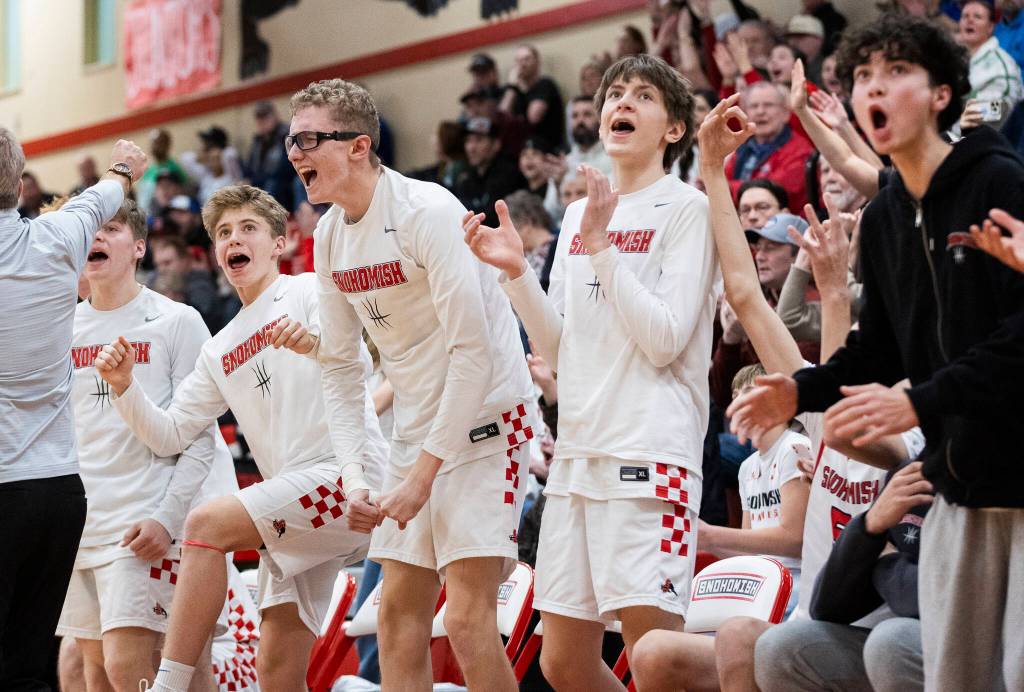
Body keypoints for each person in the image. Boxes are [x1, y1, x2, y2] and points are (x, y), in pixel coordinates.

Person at [727, 15, 1024, 690]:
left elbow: (1018, 339)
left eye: (895, 72)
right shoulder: (890, 213)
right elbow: (878, 349)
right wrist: (800, 391)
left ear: (942, 94)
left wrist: (917, 401)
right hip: (962, 494)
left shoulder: (998, 183)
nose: (874, 87)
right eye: (863, 76)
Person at [637, 96, 921, 692]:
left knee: (745, 638)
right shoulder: (828, 402)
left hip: (895, 632)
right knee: (657, 653)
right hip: (818, 630)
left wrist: (838, 293)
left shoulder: (923, 416)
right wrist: (713, 170)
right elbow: (744, 294)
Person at [465, 53, 718, 690]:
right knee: (564, 661)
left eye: (641, 96)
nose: (621, 104)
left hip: (649, 451)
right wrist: (517, 274)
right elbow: (560, 347)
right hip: (579, 454)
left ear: (674, 129)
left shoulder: (687, 209)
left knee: (655, 655)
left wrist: (605, 250)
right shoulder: (578, 216)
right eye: (615, 94)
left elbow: (663, 340)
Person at [291, 79, 535, 691]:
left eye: (309, 139)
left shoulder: (428, 211)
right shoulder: (328, 238)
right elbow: (342, 368)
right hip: (417, 440)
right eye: (291, 141)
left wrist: (423, 472)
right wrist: (355, 477)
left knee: (467, 618)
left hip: (488, 427)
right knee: (395, 617)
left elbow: (473, 353)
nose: (294, 154)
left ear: (357, 145)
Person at [95, 185, 389, 692]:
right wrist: (125, 388)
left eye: (248, 228)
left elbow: (363, 362)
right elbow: (168, 435)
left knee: (206, 522)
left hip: (346, 477)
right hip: (293, 499)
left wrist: (317, 345)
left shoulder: (307, 291)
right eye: (224, 233)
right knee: (275, 670)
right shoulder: (220, 346)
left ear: (278, 242)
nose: (234, 239)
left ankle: (168, 683)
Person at [57, 198, 233, 690]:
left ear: (139, 247)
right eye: (89, 229)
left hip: (145, 519)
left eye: (109, 228)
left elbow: (201, 437)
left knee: (135, 665)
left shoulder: (178, 321)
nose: (95, 237)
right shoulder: (59, 330)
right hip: (81, 525)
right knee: (93, 674)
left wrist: (168, 517)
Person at [0, 130, 147, 690]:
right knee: (31, 667)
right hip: (59, 493)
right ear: (18, 187)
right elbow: (108, 191)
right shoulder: (61, 234)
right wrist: (124, 167)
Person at [755, 459, 931, 692]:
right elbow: (827, 608)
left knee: (892, 641)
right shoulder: (911, 473)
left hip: (975, 649)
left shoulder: (982, 480)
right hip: (901, 645)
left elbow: (941, 604)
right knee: (780, 647)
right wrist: (868, 528)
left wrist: (885, 562)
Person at [726, 81, 814, 214]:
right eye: (754, 106)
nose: (760, 111)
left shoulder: (800, 150)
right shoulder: (742, 147)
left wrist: (724, 186)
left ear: (786, 113)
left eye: (768, 105)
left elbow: (772, 193)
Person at [958, 0, 1023, 130]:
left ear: (990, 27)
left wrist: (956, 109)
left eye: (977, 17)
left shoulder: (1001, 68)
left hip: (982, 142)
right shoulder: (954, 60)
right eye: (965, 16)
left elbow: (1000, 110)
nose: (970, 20)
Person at [452, 117, 527, 226]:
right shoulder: (466, 176)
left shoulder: (509, 175)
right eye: (468, 140)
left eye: (478, 140)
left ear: (496, 144)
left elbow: (492, 219)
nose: (471, 148)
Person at [499, 44, 565, 149]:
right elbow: (501, 117)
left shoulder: (545, 85)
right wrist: (511, 87)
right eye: (518, 61)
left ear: (537, 61)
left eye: (526, 59)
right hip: (523, 153)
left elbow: (533, 118)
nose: (522, 64)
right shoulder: (514, 91)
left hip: (548, 151)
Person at [245, 101, 300, 212]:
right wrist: (246, 180)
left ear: (275, 116)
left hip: (283, 182)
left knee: (273, 184)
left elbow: (284, 169)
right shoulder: (258, 141)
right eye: (259, 118)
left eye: (265, 116)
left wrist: (255, 180)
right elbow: (249, 167)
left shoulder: (286, 135)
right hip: (262, 181)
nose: (262, 121)